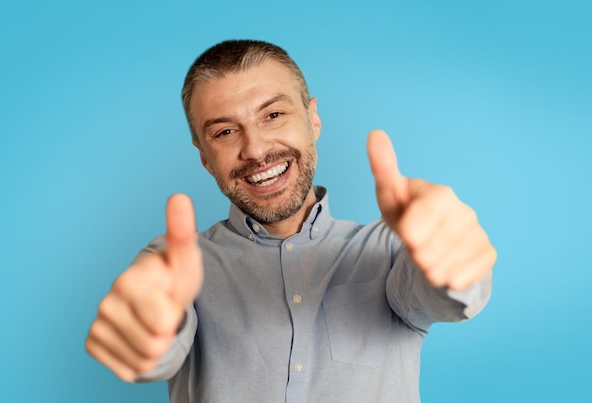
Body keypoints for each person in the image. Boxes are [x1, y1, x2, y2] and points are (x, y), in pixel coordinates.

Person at [85, 39, 496, 402]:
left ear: (313, 119)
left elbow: (442, 294)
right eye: (226, 132)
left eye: (273, 115)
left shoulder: (389, 251)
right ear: (203, 156)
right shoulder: (176, 263)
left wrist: (455, 267)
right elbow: (158, 340)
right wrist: (147, 331)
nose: (256, 149)